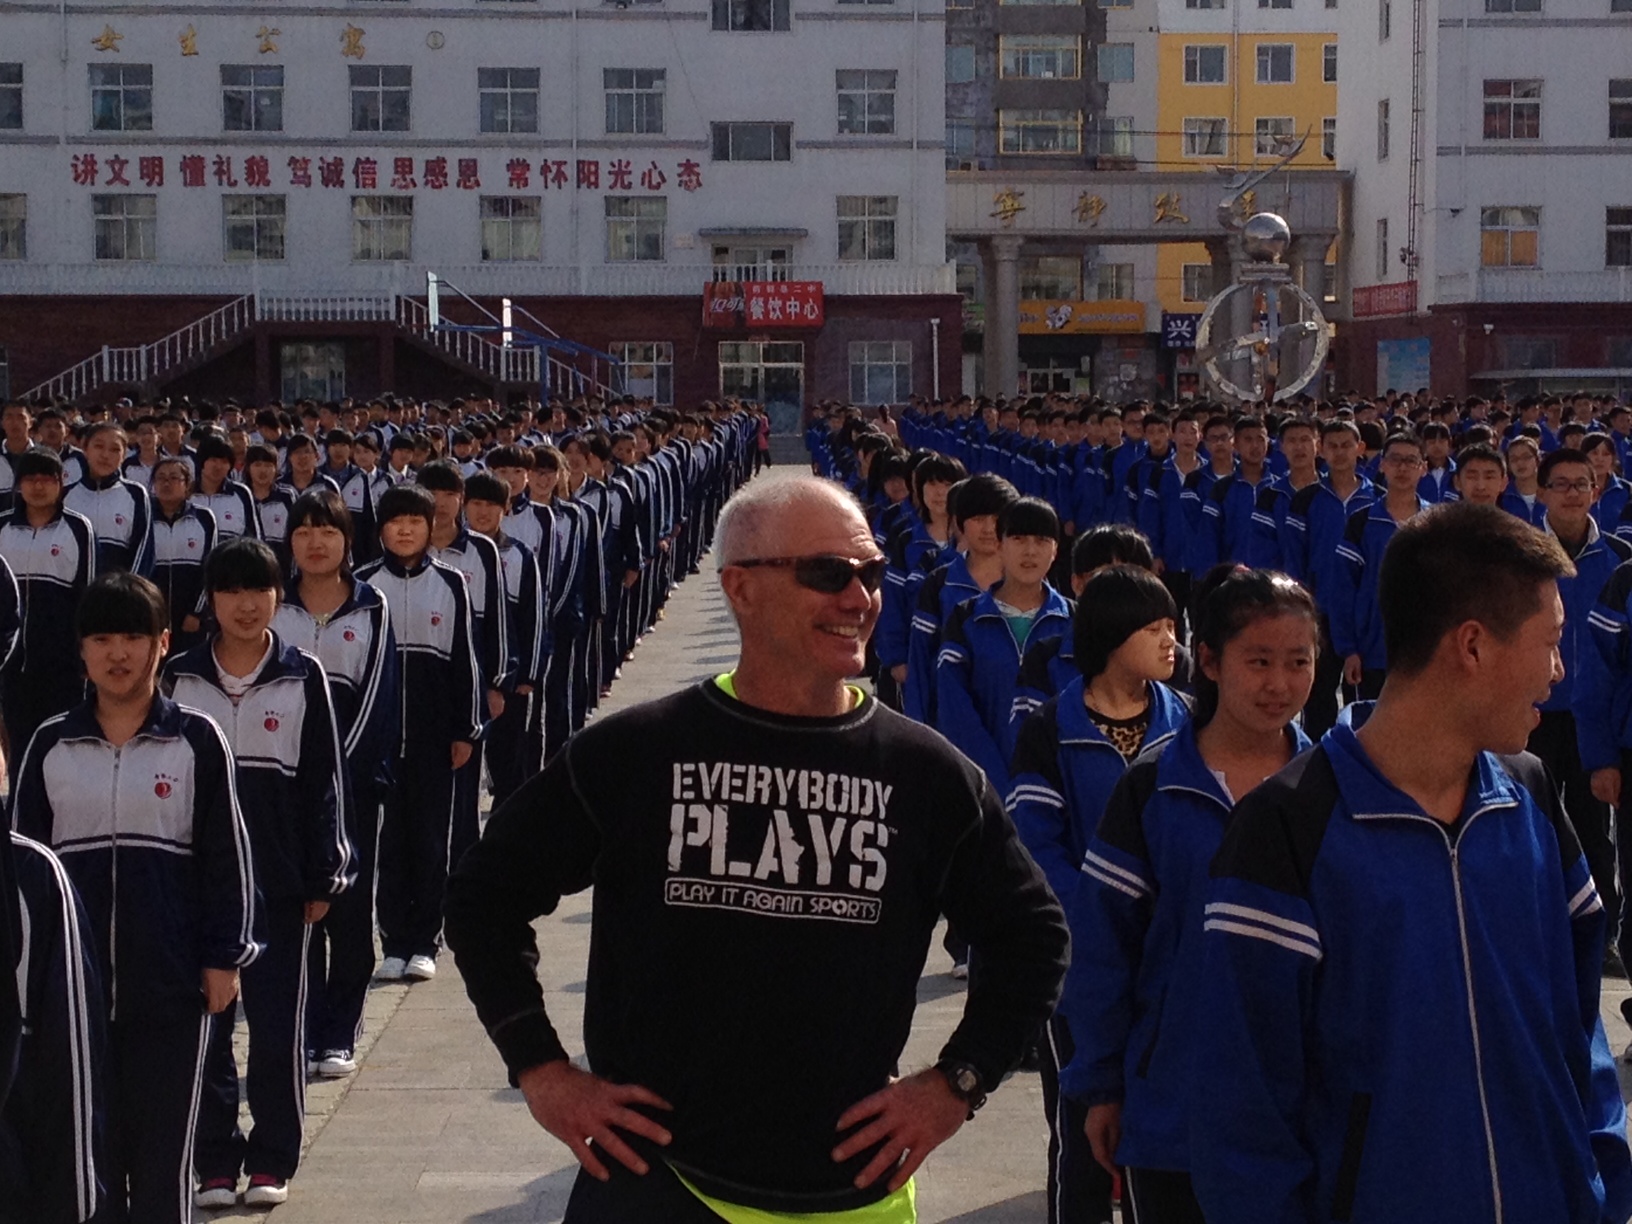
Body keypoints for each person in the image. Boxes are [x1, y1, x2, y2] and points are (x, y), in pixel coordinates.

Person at [444, 474, 1069, 1223]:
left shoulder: (926, 774)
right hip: (659, 1183)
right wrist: (540, 1068)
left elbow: (1033, 935)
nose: (859, 598)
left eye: (869, 574)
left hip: (852, 1194)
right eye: (826, 574)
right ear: (740, 589)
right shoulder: (640, 752)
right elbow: (485, 895)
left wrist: (957, 1082)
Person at [1192, 501, 1632, 1224]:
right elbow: (1244, 1115)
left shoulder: (1527, 801)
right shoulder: (1289, 826)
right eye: (1551, 642)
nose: (1559, 671)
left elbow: (1579, 1038)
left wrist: (1602, 1197)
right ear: (1472, 646)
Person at [1059, 567, 1316, 1224]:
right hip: (1175, 1106)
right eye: (1258, 661)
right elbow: (1104, 947)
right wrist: (1102, 1084)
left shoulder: (1331, 793)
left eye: (1299, 661)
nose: (1280, 684)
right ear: (1208, 659)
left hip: (1304, 1111)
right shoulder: (1156, 789)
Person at [12, 571, 259, 1224]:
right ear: (81, 649)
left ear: (161, 645)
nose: (117, 653)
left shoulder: (196, 740)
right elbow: (19, 881)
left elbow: (225, 860)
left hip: (171, 988)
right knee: (80, 1163)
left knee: (163, 1161)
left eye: (132, 637)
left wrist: (223, 959)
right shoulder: (49, 745)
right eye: (101, 638)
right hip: (71, 1001)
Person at [165, 537, 351, 1209]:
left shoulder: (304, 676)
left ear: (281, 595)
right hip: (197, 886)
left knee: (277, 1029)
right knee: (207, 1026)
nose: (247, 605)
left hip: (279, 884)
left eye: (261, 590)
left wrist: (325, 874)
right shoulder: (179, 678)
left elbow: (325, 780)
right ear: (210, 601)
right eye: (232, 591)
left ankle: (272, 1155)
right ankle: (214, 1158)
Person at [1007, 563, 1189, 1224]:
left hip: (1170, 963)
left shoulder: (1190, 725)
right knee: (1084, 1130)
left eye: (1173, 625)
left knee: (1163, 1138)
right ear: (1111, 637)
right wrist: (1102, 920)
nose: (1173, 640)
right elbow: (1038, 847)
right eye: (1154, 627)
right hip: (1082, 964)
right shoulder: (1051, 730)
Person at [272, 489, 399, 1080]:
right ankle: (301, 1026)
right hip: (280, 786)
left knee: (347, 908)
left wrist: (336, 773)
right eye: (302, 532)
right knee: (295, 909)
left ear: (348, 541)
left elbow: (377, 696)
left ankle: (339, 1030)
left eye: (327, 532)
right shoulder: (272, 606)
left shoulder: (372, 607)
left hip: (351, 784)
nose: (314, 543)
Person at [356, 485, 483, 983]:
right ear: (381, 528)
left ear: (431, 528)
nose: (405, 530)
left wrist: (465, 730)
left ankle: (426, 939)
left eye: (415, 520)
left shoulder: (451, 585)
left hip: (434, 737)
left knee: (432, 839)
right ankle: (392, 938)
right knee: (388, 841)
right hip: (380, 741)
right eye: (395, 521)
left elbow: (464, 662)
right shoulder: (364, 585)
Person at [0, 449, 97, 770]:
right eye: (31, 479)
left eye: (47, 479)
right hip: (10, 664)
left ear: (61, 483)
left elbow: (88, 597)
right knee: (17, 751)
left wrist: (86, 653)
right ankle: (18, 816)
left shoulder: (78, 528)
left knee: (62, 751)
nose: (38, 487)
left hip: (62, 664)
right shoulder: (2, 528)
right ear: (18, 485)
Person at [1331, 433, 1431, 701]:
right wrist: (1348, 649)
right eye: (1395, 460)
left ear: (1423, 468)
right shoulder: (1361, 522)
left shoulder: (1436, 523)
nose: (1402, 468)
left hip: (1424, 655)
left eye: (1411, 461)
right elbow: (1343, 588)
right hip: (1371, 654)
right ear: (1382, 465)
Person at [65, 421, 153, 576]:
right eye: (98, 446)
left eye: (114, 449)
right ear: (85, 449)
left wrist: (128, 591)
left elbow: (144, 548)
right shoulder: (66, 495)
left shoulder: (136, 494)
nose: (105, 455)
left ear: (124, 455)